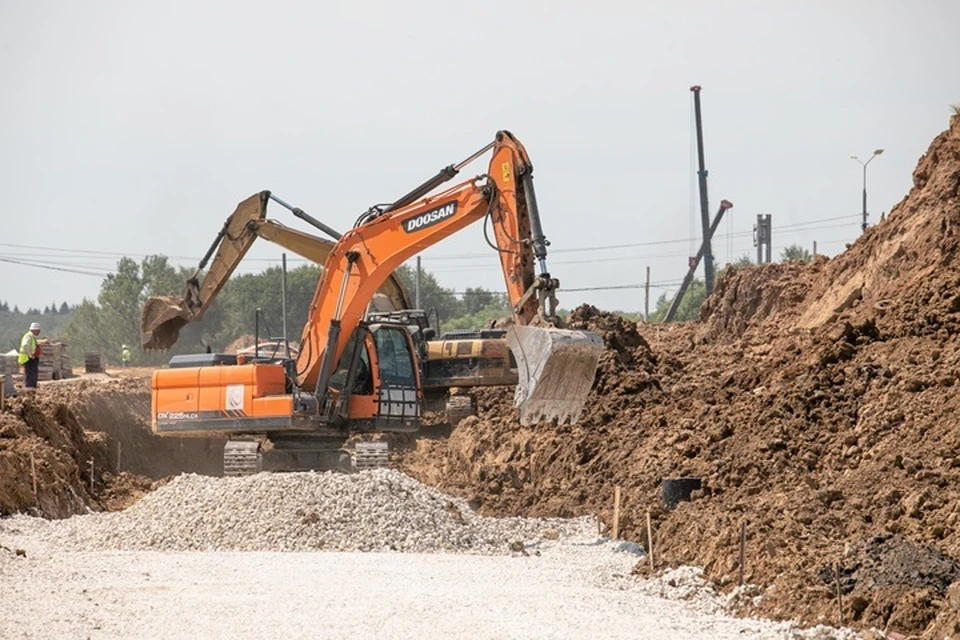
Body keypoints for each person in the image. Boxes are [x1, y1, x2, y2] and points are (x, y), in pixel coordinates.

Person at [19, 322, 41, 390]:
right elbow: (25, 345)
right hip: (28, 359)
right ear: (35, 330)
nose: (39, 332)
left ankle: (31, 390)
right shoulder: (29, 336)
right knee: (30, 376)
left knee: (32, 375)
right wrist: (30, 355)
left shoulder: (32, 337)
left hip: (31, 359)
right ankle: (29, 391)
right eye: (38, 330)